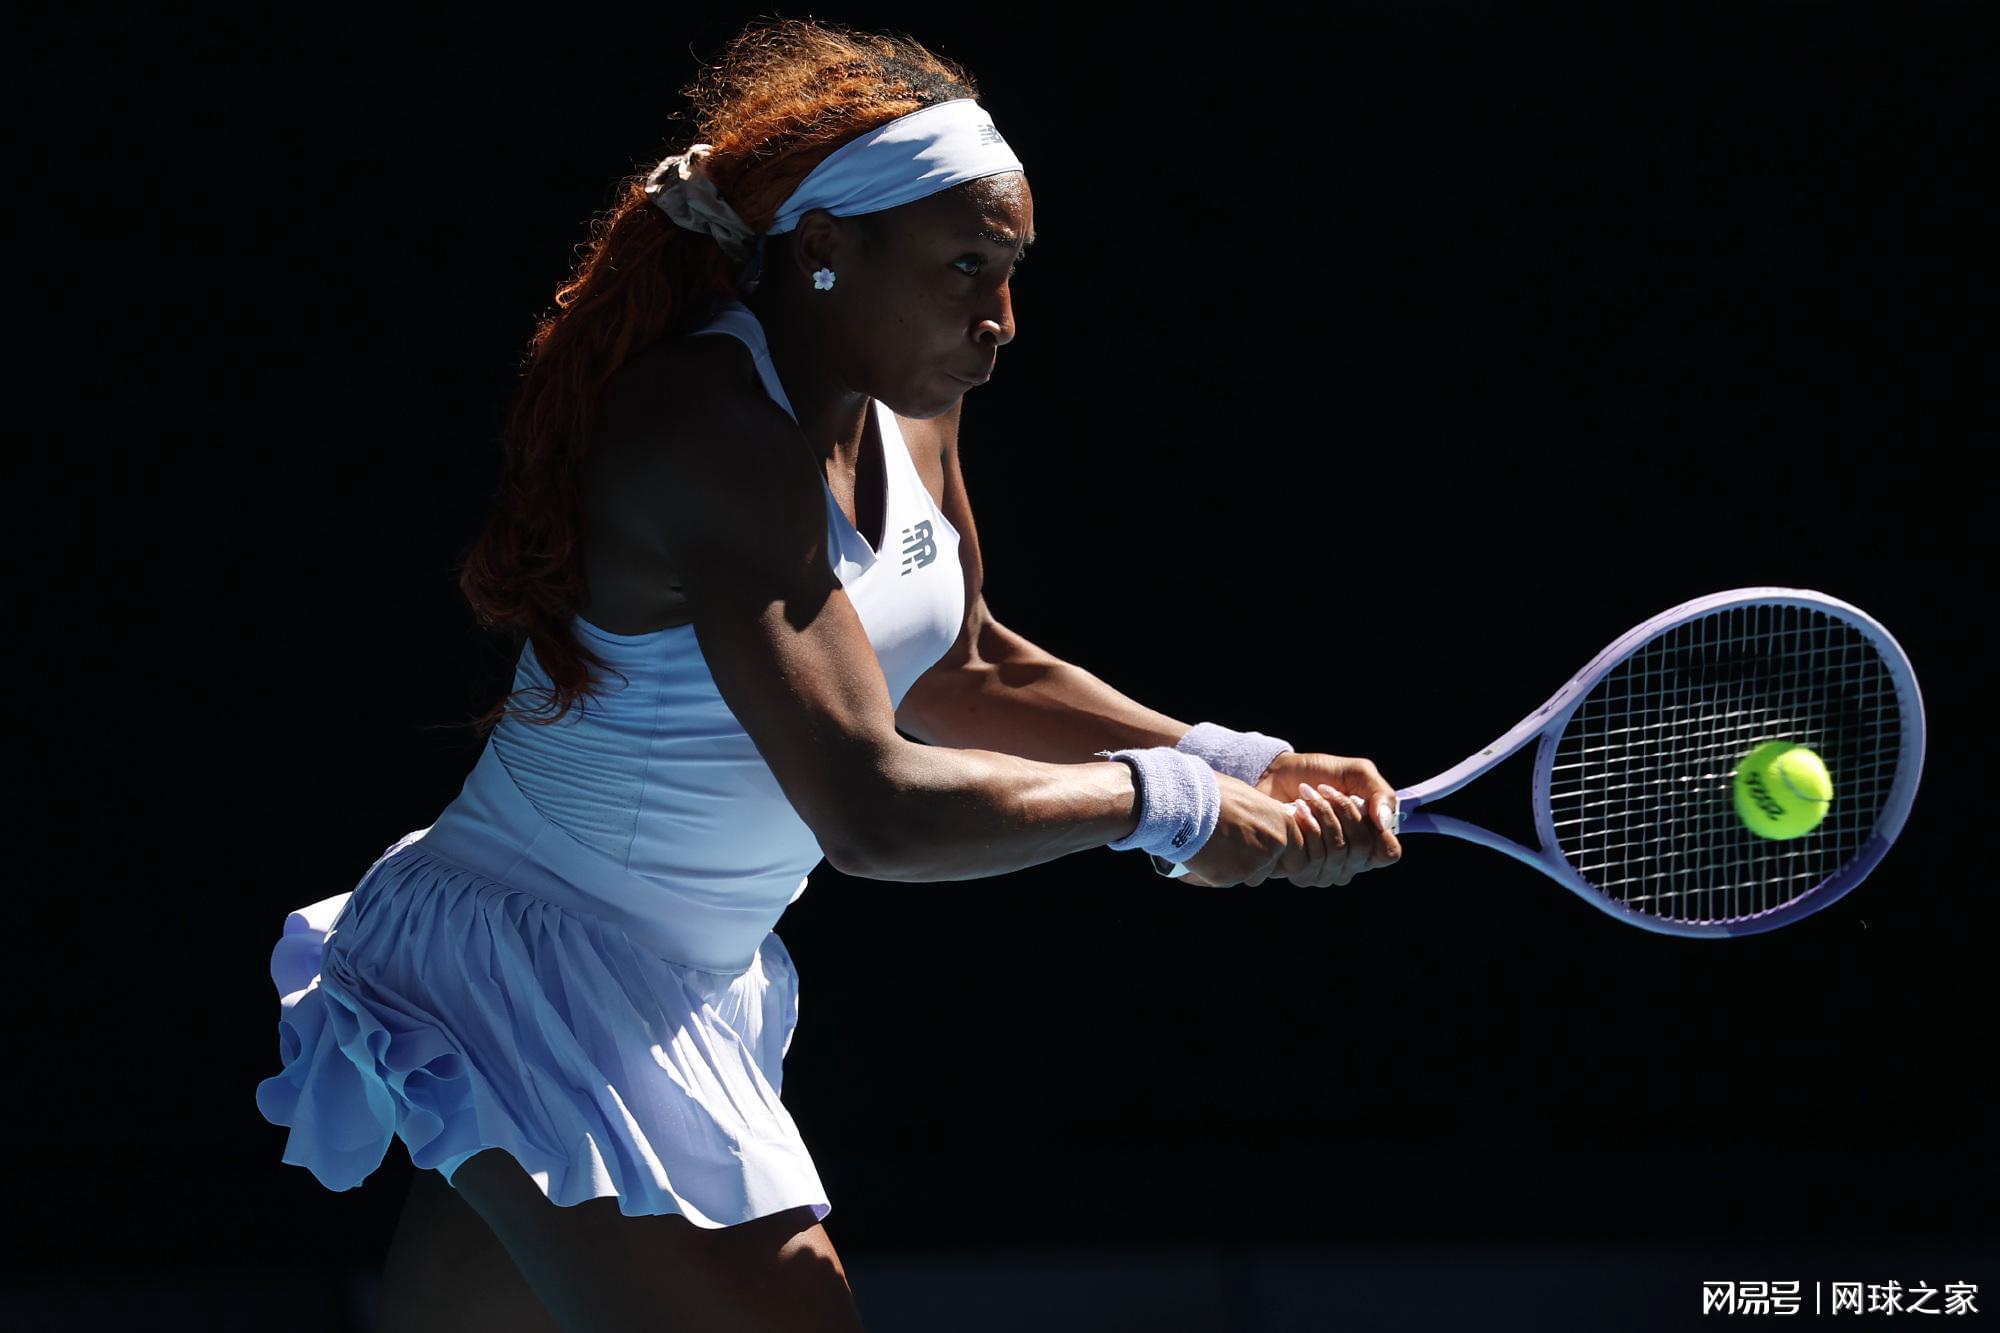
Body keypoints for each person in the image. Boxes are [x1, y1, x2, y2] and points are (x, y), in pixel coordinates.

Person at [255, 18, 1403, 1332]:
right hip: (532, 967)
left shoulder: (913, 398)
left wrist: (1234, 760)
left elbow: (963, 664)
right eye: (967, 266)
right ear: (823, 250)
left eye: (1012, 271)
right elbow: (873, 808)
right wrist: (1167, 808)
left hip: (669, 974)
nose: (1003, 320)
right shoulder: (711, 434)